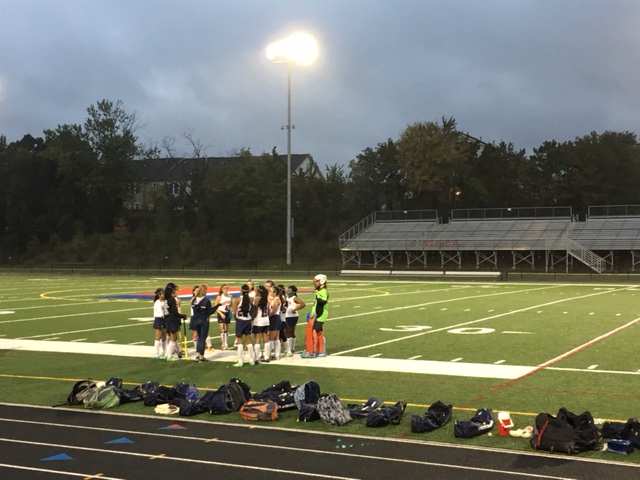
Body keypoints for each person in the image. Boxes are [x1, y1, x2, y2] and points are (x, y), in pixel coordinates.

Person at [301, 274, 329, 359]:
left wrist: (317, 295)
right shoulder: (319, 290)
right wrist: (312, 312)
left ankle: (313, 351)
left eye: (317, 281)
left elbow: (322, 302)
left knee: (315, 330)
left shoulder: (323, 291)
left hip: (321, 313)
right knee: (318, 331)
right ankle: (320, 350)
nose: (315, 283)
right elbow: (315, 304)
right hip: (317, 313)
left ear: (322, 281)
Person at [190, 284, 219, 362]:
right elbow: (210, 311)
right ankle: (201, 356)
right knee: (202, 338)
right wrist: (217, 306)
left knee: (199, 337)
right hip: (203, 320)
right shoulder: (206, 300)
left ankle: (197, 354)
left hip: (195, 320)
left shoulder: (194, 299)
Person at [233, 284, 255, 367]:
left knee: (240, 342)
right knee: (249, 341)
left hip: (240, 321)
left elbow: (234, 313)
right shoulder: (251, 299)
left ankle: (240, 361)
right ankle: (252, 360)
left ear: (241, 291)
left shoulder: (238, 299)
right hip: (248, 321)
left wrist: (237, 319)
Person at [164, 283, 187, 361]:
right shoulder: (171, 299)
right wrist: (182, 316)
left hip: (167, 319)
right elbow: (174, 312)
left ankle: (167, 354)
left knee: (171, 338)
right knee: (173, 339)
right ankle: (169, 356)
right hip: (172, 320)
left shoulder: (165, 299)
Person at [284, 285, 305, 356]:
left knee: (289, 331)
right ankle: (291, 348)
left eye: (289, 290)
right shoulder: (287, 297)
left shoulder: (294, 298)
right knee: (287, 331)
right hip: (286, 316)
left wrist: (295, 309)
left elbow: (302, 304)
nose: (288, 291)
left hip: (292, 316)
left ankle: (289, 348)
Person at [251, 285, 270, 363]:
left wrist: (251, 318)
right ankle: (267, 357)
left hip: (258, 321)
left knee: (257, 340)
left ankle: (256, 358)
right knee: (266, 339)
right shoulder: (266, 299)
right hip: (266, 320)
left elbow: (255, 312)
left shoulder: (257, 299)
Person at [266, 284, 283, 361]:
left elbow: (274, 310)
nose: (270, 292)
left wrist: (268, 316)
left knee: (271, 338)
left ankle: (269, 355)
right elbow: (269, 301)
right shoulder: (275, 299)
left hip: (274, 318)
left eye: (271, 291)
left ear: (275, 292)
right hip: (276, 318)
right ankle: (277, 355)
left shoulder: (276, 300)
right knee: (276, 337)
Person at [214, 283, 232, 350]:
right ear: (221, 289)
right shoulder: (219, 297)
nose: (226, 290)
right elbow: (215, 307)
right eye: (224, 288)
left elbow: (231, 305)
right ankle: (224, 344)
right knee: (223, 329)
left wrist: (230, 311)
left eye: (227, 288)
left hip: (227, 313)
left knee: (226, 329)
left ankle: (226, 342)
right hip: (221, 313)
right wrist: (221, 313)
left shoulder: (229, 296)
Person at [152, 288, 167, 359]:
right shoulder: (157, 302)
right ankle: (156, 353)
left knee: (164, 336)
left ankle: (163, 351)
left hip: (163, 319)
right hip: (159, 319)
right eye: (163, 293)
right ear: (159, 295)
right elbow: (161, 313)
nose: (164, 295)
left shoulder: (163, 302)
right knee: (158, 337)